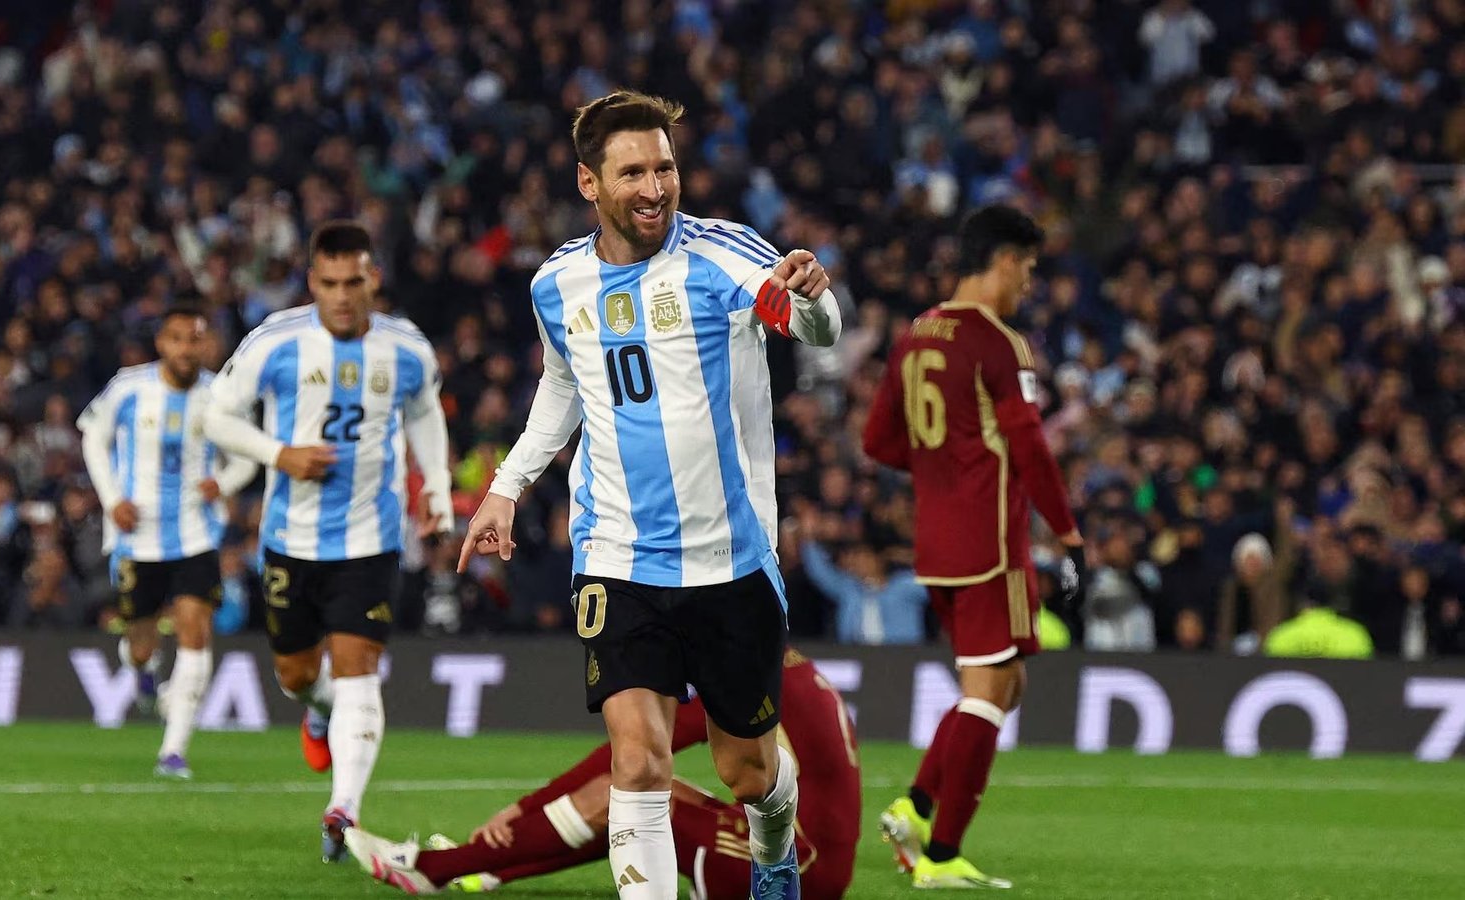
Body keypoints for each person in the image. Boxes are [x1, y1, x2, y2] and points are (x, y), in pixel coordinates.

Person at [449, 90, 843, 900]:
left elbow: (815, 330)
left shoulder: (724, 257)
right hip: (618, 555)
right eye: (633, 172)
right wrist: (506, 487)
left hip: (729, 559)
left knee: (749, 772)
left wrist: (813, 296)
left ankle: (772, 852)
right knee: (637, 760)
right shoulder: (557, 284)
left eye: (664, 168)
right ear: (589, 182)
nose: (655, 188)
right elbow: (564, 383)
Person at [202, 221, 454, 861]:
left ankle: (344, 809)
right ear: (313, 282)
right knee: (295, 675)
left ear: (373, 279)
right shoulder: (276, 341)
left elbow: (424, 412)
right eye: (331, 283)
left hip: (371, 537)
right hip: (290, 538)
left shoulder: (406, 349)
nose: (343, 296)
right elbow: (216, 416)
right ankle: (317, 711)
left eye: (354, 282)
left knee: (358, 670)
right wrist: (279, 453)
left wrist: (435, 485)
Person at [862, 205, 1084, 890]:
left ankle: (916, 806)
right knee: (989, 693)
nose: (1028, 283)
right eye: (1028, 269)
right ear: (1005, 261)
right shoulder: (998, 343)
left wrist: (941, 469)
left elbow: (878, 440)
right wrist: (1067, 530)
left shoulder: (914, 334)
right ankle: (941, 856)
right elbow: (1030, 445)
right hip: (989, 541)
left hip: (935, 542)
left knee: (1004, 684)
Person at [345, 650, 859, 899]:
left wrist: (523, 808)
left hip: (797, 872)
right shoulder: (794, 668)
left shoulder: (739, 673)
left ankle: (435, 868)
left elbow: (622, 760)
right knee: (642, 802)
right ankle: (493, 868)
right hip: (810, 859)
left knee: (624, 794)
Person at [76, 302, 258, 779]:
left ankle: (173, 750)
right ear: (161, 343)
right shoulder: (128, 387)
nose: (186, 349)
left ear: (206, 344)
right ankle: (141, 671)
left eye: (195, 339)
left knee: (195, 629)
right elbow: (92, 438)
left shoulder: (219, 395)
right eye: (177, 339)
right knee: (141, 643)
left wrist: (224, 483)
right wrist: (112, 499)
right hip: (137, 536)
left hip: (196, 533)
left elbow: (249, 455)